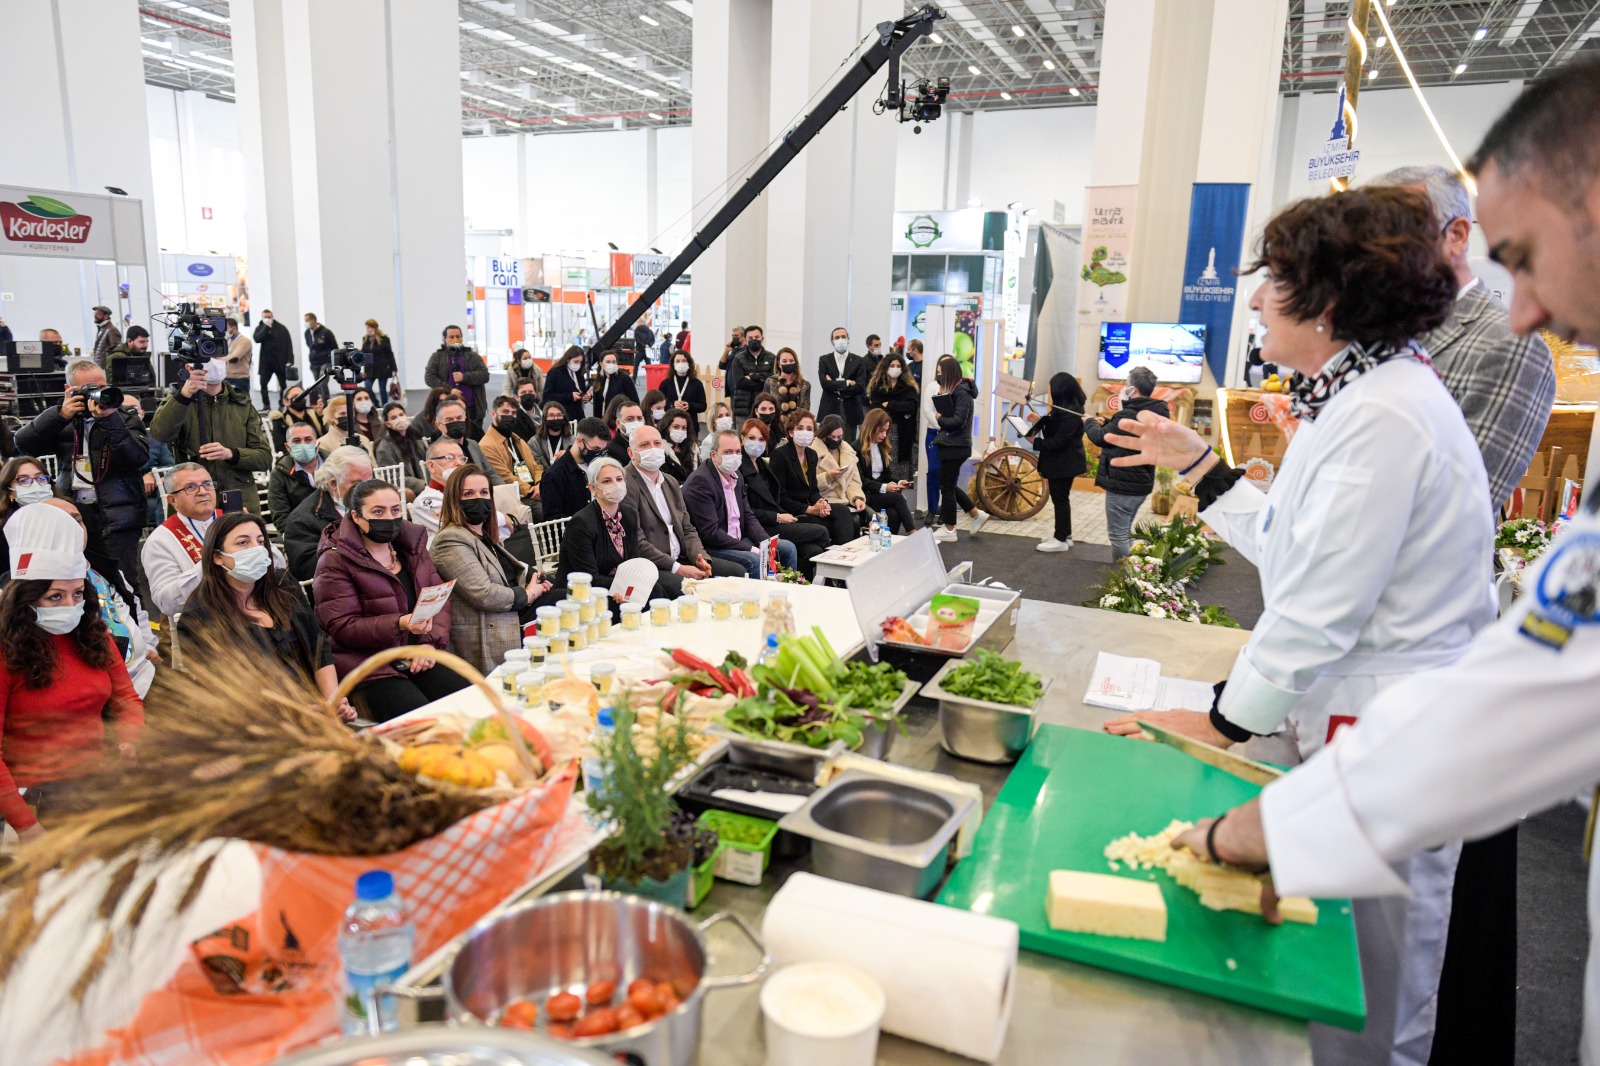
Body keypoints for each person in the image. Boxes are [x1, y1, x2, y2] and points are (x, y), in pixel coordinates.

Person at [1101, 186, 1497, 1066]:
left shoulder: (1386, 413)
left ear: (1325, 300)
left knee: (1372, 990)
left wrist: (1216, 721)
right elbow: (1293, 547)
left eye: (1270, 280)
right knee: (1335, 965)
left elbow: (1319, 609)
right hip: (1356, 719)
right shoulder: (1360, 397)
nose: (1251, 300)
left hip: (1391, 730)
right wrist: (1202, 466)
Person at [1374, 164, 1558, 513]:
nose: (1374, 253)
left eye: (1393, 234)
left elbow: (1458, 508)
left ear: (1457, 235)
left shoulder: (1509, 346)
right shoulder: (1378, 332)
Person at [0, 512, 141, 839]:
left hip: (96, 784)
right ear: (26, 599)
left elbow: (127, 699)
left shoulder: (93, 635)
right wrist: (25, 824)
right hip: (30, 798)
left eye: (77, 594)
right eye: (55, 597)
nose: (70, 605)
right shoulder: (6, 651)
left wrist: (130, 741)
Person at [314, 479, 470, 721]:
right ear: (356, 517)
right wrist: (400, 623)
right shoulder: (335, 561)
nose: (389, 518)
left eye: (395, 510)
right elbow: (341, 626)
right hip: (368, 665)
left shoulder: (411, 547)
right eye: (378, 511)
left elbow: (438, 598)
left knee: (469, 698)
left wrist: (428, 643)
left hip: (415, 652)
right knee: (421, 719)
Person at [178, 512, 354, 721]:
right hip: (258, 722)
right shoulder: (198, 617)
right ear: (217, 557)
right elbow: (224, 692)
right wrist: (302, 711)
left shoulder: (282, 584)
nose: (256, 549)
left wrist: (333, 702)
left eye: (260, 541)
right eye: (243, 543)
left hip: (315, 707)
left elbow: (319, 648)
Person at [15, 358, 149, 578]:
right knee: (77, 577)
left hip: (120, 512)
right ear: (70, 389)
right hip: (74, 512)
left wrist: (110, 420)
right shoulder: (61, 417)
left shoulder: (125, 416)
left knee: (125, 580)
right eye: (90, 389)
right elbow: (24, 444)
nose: (98, 393)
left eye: (102, 387)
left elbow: (136, 458)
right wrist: (59, 416)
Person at [429, 464, 557, 674]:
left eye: (484, 493)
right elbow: (484, 594)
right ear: (454, 499)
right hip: (490, 624)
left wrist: (535, 581)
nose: (478, 499)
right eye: (468, 494)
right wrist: (528, 593)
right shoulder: (450, 539)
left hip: (511, 610)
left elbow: (508, 575)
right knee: (567, 601)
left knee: (567, 591)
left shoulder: (482, 535)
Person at [38, 498, 158, 700]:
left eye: (77, 521)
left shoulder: (103, 568)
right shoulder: (32, 586)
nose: (74, 528)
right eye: (62, 522)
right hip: (95, 693)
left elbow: (135, 608)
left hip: (144, 673)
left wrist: (148, 645)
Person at [623, 425, 743, 597]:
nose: (653, 449)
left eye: (657, 443)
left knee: (736, 572)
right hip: (653, 565)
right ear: (630, 453)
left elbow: (687, 528)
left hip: (683, 557)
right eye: (644, 445)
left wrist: (700, 558)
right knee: (687, 588)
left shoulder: (670, 482)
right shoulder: (626, 484)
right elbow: (637, 542)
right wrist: (678, 568)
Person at [149, 356, 272, 514]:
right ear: (189, 368)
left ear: (226, 364)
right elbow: (160, 434)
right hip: (194, 501)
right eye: (207, 356)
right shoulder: (179, 402)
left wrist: (231, 454)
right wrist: (184, 396)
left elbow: (264, 458)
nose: (213, 363)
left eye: (218, 357)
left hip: (238, 500)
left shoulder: (242, 404)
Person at [683, 430, 798, 578]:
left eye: (737, 452)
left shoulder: (736, 475)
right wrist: (752, 549)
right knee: (755, 560)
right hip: (714, 546)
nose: (734, 457)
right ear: (713, 455)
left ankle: (786, 594)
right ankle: (760, 599)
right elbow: (711, 534)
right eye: (728, 452)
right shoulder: (701, 482)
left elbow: (748, 516)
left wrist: (767, 543)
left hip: (739, 538)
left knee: (787, 548)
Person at [1083, 367, 1169, 561]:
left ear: (1133, 389)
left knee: (1118, 534)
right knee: (1125, 531)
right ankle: (1133, 571)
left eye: (1126, 383)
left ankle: (1124, 577)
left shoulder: (1129, 414)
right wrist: (1107, 422)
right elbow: (1122, 433)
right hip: (1141, 482)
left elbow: (1100, 438)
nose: (1123, 386)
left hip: (1123, 484)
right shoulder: (1156, 412)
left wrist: (1089, 422)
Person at [557, 456, 663, 603]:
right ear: (593, 488)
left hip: (618, 586)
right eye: (607, 481)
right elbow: (588, 577)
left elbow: (634, 561)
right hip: (584, 594)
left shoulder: (629, 514)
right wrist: (621, 587)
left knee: (656, 590)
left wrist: (633, 585)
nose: (616, 485)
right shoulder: (581, 523)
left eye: (619, 479)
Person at [738, 418, 828, 575]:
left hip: (775, 519)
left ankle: (808, 581)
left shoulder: (761, 465)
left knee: (812, 549)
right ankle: (827, 576)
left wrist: (784, 514)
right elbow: (746, 511)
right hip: (761, 526)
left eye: (761, 439)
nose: (756, 443)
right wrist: (778, 516)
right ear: (743, 438)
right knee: (821, 532)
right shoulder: (739, 468)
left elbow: (774, 498)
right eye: (752, 438)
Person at [282, 446, 374, 582]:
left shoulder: (375, 506)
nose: (367, 490)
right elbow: (307, 570)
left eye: (370, 482)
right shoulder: (302, 520)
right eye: (357, 484)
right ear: (333, 483)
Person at [141, 464, 222, 617]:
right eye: (191, 487)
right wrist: (212, 562)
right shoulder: (160, 540)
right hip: (206, 623)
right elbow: (166, 602)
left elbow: (278, 564)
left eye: (207, 484)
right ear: (172, 500)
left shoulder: (235, 521)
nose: (203, 492)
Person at [770, 410, 855, 545]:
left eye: (809, 429)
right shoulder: (780, 455)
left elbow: (813, 491)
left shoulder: (811, 455)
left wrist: (821, 503)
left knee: (843, 511)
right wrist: (810, 509)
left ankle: (843, 558)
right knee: (829, 526)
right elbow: (780, 497)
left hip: (808, 508)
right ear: (791, 432)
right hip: (791, 512)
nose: (805, 432)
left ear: (814, 433)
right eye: (800, 428)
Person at [929, 357, 989, 543]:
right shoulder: (956, 391)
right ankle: (975, 513)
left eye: (940, 372)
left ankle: (949, 529)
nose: (938, 375)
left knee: (946, 486)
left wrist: (939, 418)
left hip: (957, 445)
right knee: (948, 483)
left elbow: (958, 422)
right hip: (951, 444)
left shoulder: (962, 393)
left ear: (948, 373)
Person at [1028, 372, 1088, 553]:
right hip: (1062, 461)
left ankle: (1060, 538)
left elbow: (1059, 441)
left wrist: (1035, 442)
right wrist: (1039, 421)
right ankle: (1065, 535)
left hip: (1065, 462)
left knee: (1060, 499)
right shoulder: (1064, 408)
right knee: (1061, 498)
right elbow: (1054, 429)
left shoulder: (1071, 413)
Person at [540, 417, 613, 523]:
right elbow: (552, 518)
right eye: (596, 449)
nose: (600, 454)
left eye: (603, 450)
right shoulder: (554, 475)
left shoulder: (597, 465)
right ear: (579, 441)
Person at [480, 395, 544, 513]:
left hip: (535, 490)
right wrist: (531, 491)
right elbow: (506, 477)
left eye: (513, 413)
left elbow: (535, 467)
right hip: (516, 496)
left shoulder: (517, 439)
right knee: (545, 510)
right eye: (505, 412)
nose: (510, 416)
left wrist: (540, 485)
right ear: (493, 414)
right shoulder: (486, 445)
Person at [857, 409, 915, 535]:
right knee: (898, 498)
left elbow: (886, 475)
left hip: (879, 494)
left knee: (893, 514)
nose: (884, 435)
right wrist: (885, 487)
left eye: (886, 431)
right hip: (866, 494)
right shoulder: (856, 448)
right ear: (871, 427)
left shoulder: (881, 447)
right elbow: (861, 481)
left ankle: (889, 543)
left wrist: (899, 481)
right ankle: (912, 532)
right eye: (881, 431)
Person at [423, 324, 491, 430]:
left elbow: (485, 376)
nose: (455, 339)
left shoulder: (473, 356)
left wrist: (464, 377)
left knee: (474, 439)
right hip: (447, 409)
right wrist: (449, 390)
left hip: (473, 408)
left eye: (458, 336)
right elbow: (429, 378)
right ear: (445, 339)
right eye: (451, 337)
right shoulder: (437, 357)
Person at [0, 457, 56, 570]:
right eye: (24, 480)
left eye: (41, 478)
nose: (35, 485)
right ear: (10, 492)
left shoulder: (74, 513)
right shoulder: (3, 531)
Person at [815, 414, 868, 530]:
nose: (836, 440)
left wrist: (857, 498)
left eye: (839, 437)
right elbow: (810, 484)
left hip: (846, 500)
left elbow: (854, 481)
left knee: (872, 515)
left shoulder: (848, 451)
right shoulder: (813, 451)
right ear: (823, 434)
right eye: (832, 437)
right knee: (847, 518)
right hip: (824, 500)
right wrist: (828, 476)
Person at [867, 352, 919, 467]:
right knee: (885, 463)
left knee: (902, 467)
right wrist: (901, 410)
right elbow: (876, 409)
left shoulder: (908, 387)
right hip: (883, 431)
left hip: (904, 433)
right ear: (885, 367)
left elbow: (911, 407)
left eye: (898, 366)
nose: (895, 368)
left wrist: (889, 404)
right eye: (892, 365)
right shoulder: (877, 387)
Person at [409, 438, 466, 543]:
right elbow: (462, 530)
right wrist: (503, 519)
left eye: (462, 458)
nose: (459, 463)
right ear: (431, 466)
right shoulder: (425, 502)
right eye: (450, 458)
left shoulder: (466, 493)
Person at [434, 396, 502, 483]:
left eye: (459, 418)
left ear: (465, 418)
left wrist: (503, 490)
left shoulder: (473, 444)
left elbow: (491, 472)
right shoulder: (437, 451)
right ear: (439, 425)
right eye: (450, 420)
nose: (456, 422)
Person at [268, 420, 325, 522]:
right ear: (287, 447)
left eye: (308, 439)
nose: (303, 445)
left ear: (317, 444)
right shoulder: (279, 474)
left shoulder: (333, 465)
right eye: (296, 441)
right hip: (301, 532)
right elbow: (280, 515)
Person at [818, 327, 867, 441]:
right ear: (832, 341)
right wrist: (848, 382)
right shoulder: (824, 359)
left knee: (848, 447)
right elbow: (825, 384)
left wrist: (834, 385)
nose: (840, 339)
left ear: (848, 339)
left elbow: (860, 387)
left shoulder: (858, 360)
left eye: (843, 337)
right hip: (829, 408)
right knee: (827, 443)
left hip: (850, 410)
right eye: (837, 337)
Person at [376, 401, 428, 497]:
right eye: (394, 418)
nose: (400, 419)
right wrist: (422, 484)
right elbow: (393, 478)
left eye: (401, 414)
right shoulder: (384, 448)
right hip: (406, 487)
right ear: (388, 424)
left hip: (425, 484)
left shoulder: (416, 438)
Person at [729, 325, 773, 421]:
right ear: (745, 339)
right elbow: (739, 383)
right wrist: (763, 381)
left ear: (762, 338)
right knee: (743, 435)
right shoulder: (738, 359)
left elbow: (773, 380)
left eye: (757, 337)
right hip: (743, 408)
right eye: (750, 338)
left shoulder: (772, 358)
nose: (754, 340)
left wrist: (753, 376)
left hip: (766, 408)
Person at [252, 308, 293, 408]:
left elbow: (289, 344)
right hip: (266, 362)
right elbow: (257, 339)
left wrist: (290, 360)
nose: (267, 319)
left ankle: (281, 402)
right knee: (263, 384)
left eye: (269, 317)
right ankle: (266, 404)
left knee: (283, 385)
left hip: (280, 361)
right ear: (262, 318)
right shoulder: (260, 327)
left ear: (272, 317)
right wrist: (266, 327)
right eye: (265, 317)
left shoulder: (281, 328)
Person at [542, 345, 593, 423]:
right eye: (576, 361)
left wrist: (588, 396)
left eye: (580, 362)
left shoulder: (579, 373)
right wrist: (570, 396)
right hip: (561, 415)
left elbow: (582, 390)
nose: (578, 364)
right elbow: (547, 396)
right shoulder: (555, 372)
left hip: (578, 414)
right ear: (567, 359)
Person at [764, 348, 811, 427]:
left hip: (796, 426)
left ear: (795, 362)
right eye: (784, 361)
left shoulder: (804, 384)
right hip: (774, 426)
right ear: (779, 364)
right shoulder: (770, 382)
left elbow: (805, 408)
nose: (788, 363)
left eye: (791, 361)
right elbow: (765, 403)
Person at [270, 384, 324, 453]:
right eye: (296, 396)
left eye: (302, 395)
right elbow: (280, 447)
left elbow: (325, 436)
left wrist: (321, 416)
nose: (300, 398)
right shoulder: (281, 421)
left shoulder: (314, 415)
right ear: (286, 402)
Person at [662, 349, 707, 430]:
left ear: (689, 363)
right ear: (673, 364)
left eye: (683, 360)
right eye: (678, 361)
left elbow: (703, 406)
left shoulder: (697, 383)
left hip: (691, 425)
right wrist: (672, 405)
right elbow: (659, 405)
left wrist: (690, 406)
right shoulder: (666, 383)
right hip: (670, 424)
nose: (681, 363)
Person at [591, 349, 639, 419]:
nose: (611, 364)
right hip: (604, 420)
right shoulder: (598, 382)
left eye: (614, 362)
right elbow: (596, 407)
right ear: (601, 364)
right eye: (608, 362)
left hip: (621, 418)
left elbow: (635, 401)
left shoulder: (625, 379)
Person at [360, 318, 398, 403]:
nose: (367, 330)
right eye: (366, 328)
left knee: (382, 390)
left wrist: (394, 368)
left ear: (374, 328)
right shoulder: (365, 339)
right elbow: (364, 351)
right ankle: (376, 403)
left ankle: (385, 406)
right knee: (367, 388)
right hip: (369, 367)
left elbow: (389, 354)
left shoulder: (384, 339)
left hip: (382, 367)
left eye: (369, 328)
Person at [531, 399, 573, 471]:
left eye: (559, 415)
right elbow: (534, 467)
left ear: (564, 418)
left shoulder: (573, 441)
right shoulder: (534, 443)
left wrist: (568, 455)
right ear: (544, 418)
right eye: (551, 415)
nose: (555, 418)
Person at [604, 398, 647, 465]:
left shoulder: (650, 443)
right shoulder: (612, 451)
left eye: (639, 418)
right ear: (618, 423)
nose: (636, 422)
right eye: (630, 419)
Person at [659, 410, 696, 483]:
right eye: (676, 427)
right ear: (666, 428)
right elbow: (665, 479)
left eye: (684, 428)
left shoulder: (692, 448)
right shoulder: (661, 450)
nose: (680, 430)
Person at [303, 312, 337, 379]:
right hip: (314, 362)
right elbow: (309, 345)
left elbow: (334, 346)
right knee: (316, 385)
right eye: (305, 321)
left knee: (322, 383)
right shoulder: (307, 333)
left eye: (307, 320)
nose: (306, 323)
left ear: (314, 320)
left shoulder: (326, 332)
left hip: (325, 361)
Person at [224, 317, 253, 395]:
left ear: (234, 328)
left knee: (242, 403)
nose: (224, 331)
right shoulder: (228, 340)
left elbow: (234, 358)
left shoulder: (244, 341)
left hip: (240, 379)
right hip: (227, 377)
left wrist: (218, 358)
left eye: (226, 328)